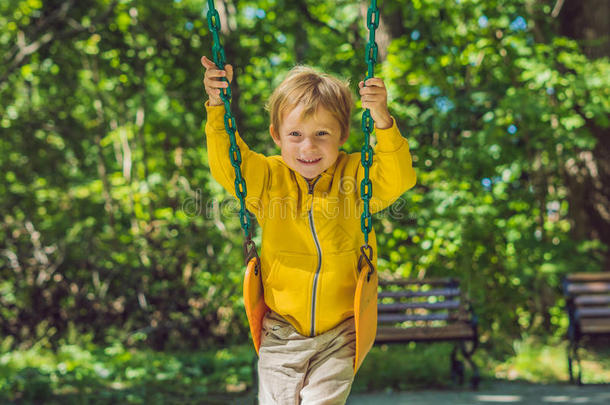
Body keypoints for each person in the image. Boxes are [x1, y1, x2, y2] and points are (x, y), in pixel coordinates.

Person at [202, 55, 416, 404]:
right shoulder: (267, 178)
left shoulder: (355, 177)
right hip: (281, 331)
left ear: (343, 135)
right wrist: (216, 104)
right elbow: (229, 161)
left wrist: (381, 119)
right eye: (295, 134)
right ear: (276, 135)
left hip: (342, 330)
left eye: (322, 133)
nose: (308, 147)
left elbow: (399, 177)